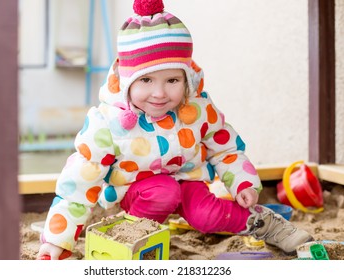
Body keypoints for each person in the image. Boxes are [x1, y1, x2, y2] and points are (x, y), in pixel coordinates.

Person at [37, 0, 313, 260]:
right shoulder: (107, 123)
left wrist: (243, 183)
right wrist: (57, 240)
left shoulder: (197, 109)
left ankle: (267, 224)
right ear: (126, 80)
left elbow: (226, 148)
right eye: (145, 79)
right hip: (138, 192)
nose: (159, 93)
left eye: (171, 79)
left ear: (187, 78)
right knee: (163, 191)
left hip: (187, 180)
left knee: (205, 215)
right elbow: (79, 182)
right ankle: (136, 240)